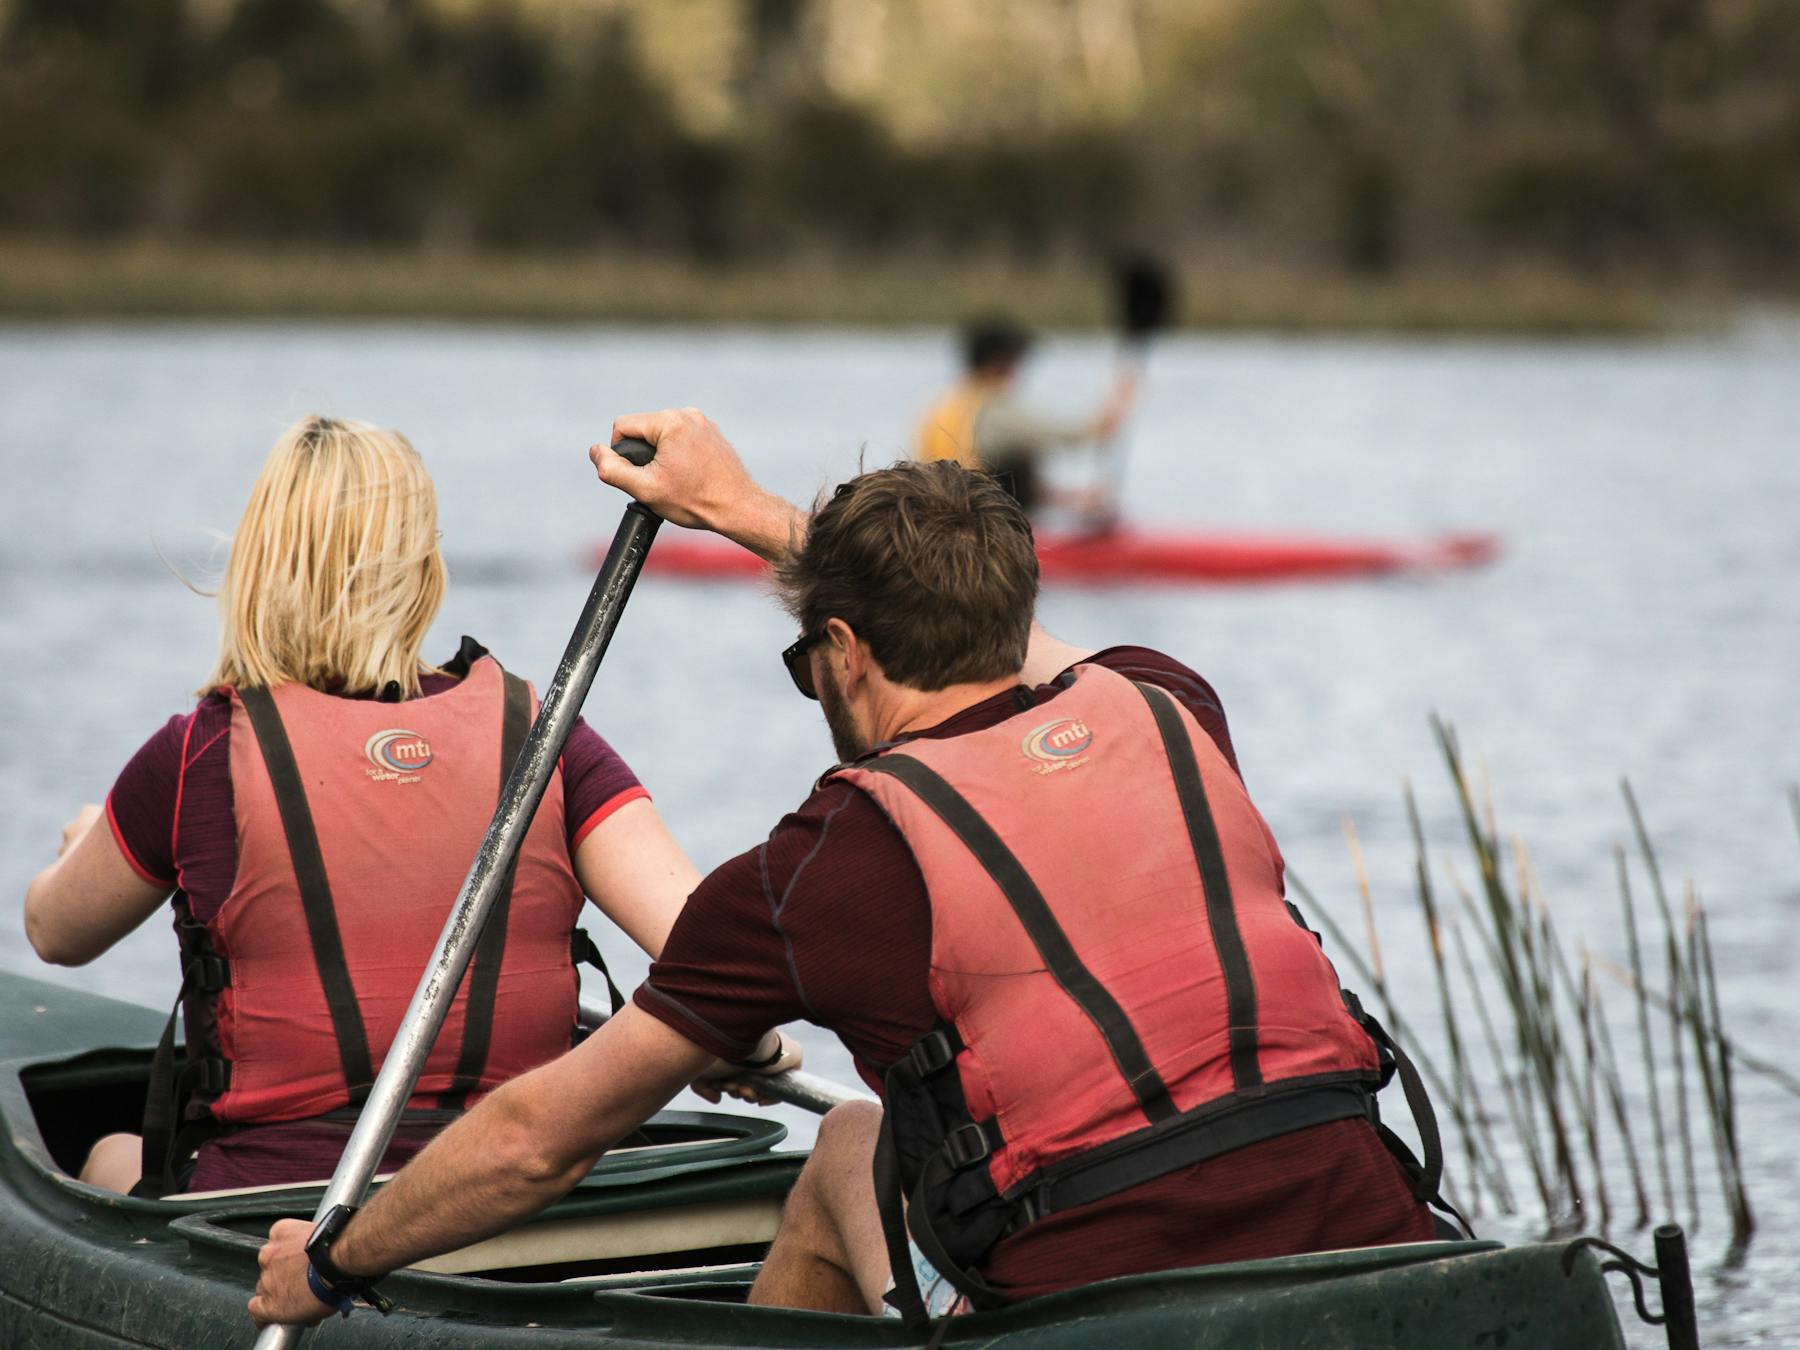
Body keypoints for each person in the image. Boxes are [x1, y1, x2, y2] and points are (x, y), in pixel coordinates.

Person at [248, 408, 1452, 1333]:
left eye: (808, 658)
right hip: (1373, 1239)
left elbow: (534, 1143)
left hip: (1103, 1311)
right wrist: (753, 509)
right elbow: (1026, 650)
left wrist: (334, 1259)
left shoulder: (824, 864)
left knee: (840, 1158)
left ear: (841, 650)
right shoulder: (1169, 702)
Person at [22, 414, 794, 1197]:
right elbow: (713, 953)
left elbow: (54, 933)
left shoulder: (196, 756)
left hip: (270, 1206)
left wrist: (88, 841)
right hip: (513, 1202)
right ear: (423, 568)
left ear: (259, 562)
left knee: (109, 1156)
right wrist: (746, 1045)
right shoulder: (542, 734)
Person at [916, 316, 1138, 515]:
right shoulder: (996, 410)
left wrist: (1073, 498)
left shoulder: (944, 403)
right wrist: (1122, 398)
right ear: (999, 362)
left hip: (938, 516)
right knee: (1020, 459)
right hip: (975, 526)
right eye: (1017, 360)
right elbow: (1085, 434)